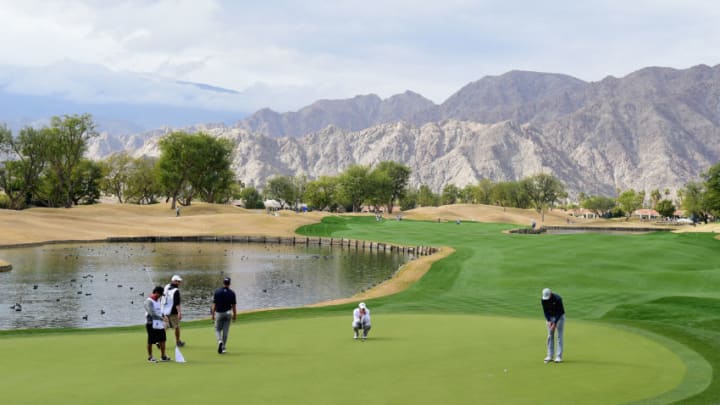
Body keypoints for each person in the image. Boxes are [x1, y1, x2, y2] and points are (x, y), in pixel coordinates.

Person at [145, 286, 171, 362]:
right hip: (151, 324)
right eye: (160, 294)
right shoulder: (148, 301)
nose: (160, 296)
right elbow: (152, 313)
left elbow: (159, 311)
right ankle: (150, 357)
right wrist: (162, 318)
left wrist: (163, 315)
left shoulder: (158, 300)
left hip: (159, 324)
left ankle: (163, 356)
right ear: (156, 292)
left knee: (163, 340)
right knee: (151, 341)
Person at [211, 277, 237, 354]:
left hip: (219, 313)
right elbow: (234, 306)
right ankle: (223, 348)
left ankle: (219, 341)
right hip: (228, 314)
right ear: (229, 283)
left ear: (223, 283)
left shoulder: (217, 292)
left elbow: (214, 305)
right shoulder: (232, 293)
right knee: (225, 331)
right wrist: (235, 315)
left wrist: (212, 315)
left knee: (217, 329)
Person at [541, 288, 565, 363]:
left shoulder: (558, 299)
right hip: (550, 317)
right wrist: (548, 320)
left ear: (551, 293)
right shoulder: (543, 299)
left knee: (559, 336)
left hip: (559, 317)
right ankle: (550, 356)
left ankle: (558, 356)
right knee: (550, 335)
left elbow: (561, 311)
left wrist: (554, 323)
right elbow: (545, 311)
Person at [162, 274, 185, 347]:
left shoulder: (166, 287)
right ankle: (178, 342)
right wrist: (179, 312)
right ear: (173, 281)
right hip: (172, 311)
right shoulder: (176, 291)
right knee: (176, 326)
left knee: (165, 327)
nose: (179, 283)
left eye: (179, 281)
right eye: (177, 281)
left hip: (164, 310)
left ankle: (159, 340)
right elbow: (177, 303)